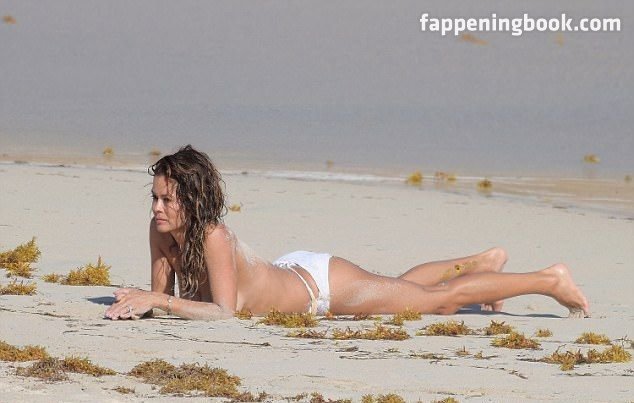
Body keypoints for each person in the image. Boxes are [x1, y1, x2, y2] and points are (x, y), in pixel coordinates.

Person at [105, 145, 590, 321]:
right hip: (293, 272)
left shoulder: (214, 236)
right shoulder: (162, 231)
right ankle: (482, 264)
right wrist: (145, 302)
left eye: (167, 199)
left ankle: (548, 280)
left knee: (438, 302)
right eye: (155, 197)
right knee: (402, 288)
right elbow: (161, 298)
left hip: (323, 287)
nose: (157, 207)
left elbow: (223, 313)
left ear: (192, 200)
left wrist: (158, 301)